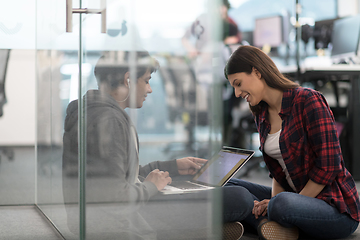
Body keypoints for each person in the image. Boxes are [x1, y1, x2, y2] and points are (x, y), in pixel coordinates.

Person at [62, 50, 250, 239]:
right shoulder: (108, 121)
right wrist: (151, 187)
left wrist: (172, 167)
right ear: (128, 80)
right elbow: (115, 198)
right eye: (146, 80)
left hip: (106, 217)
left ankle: (249, 220)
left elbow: (119, 177)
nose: (149, 89)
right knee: (240, 197)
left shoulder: (93, 112)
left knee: (231, 185)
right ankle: (260, 221)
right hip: (122, 223)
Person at [223, 45, 360, 240]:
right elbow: (278, 171)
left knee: (281, 204)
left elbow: (329, 166)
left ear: (256, 72)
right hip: (292, 195)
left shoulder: (308, 100)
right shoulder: (261, 113)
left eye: (238, 83)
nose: (237, 93)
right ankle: (269, 225)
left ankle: (262, 219)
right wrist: (273, 201)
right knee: (229, 185)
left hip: (333, 207)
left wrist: (274, 203)